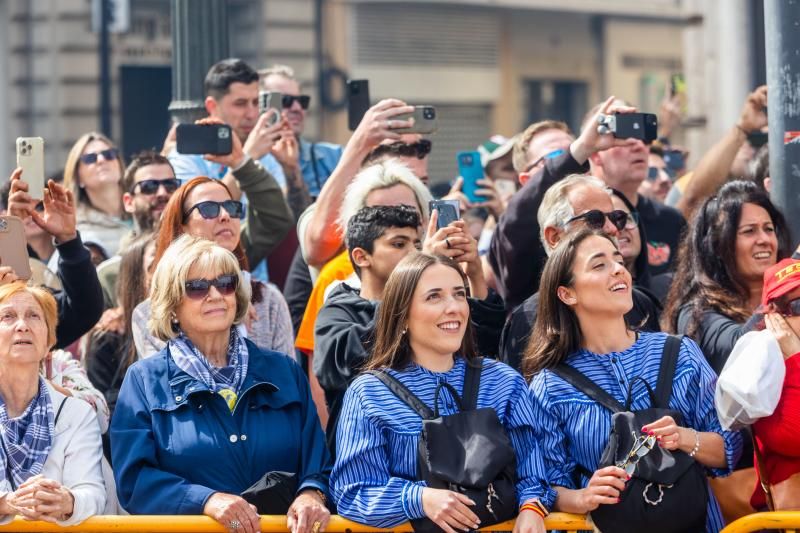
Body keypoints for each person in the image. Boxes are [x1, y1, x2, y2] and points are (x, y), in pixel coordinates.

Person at [523, 229, 742, 532]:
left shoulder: (680, 353)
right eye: (599, 265)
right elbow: (545, 484)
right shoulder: (550, 387)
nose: (618, 269)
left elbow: (729, 447)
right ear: (566, 293)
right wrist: (583, 496)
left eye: (618, 260)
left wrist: (684, 438)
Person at [111, 236, 330, 533]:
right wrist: (206, 501)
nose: (215, 294)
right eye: (197, 288)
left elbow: (317, 457)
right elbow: (134, 481)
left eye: (226, 283)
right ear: (172, 305)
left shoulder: (283, 370)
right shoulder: (143, 381)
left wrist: (311, 494)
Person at [330, 252, 551, 532]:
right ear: (402, 316)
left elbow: (535, 471)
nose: (454, 307)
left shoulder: (504, 382)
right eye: (434, 296)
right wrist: (420, 498)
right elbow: (353, 493)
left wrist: (532, 507)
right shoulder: (368, 393)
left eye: (459, 294)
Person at [314, 205, 504, 456]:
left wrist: (475, 276)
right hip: (379, 466)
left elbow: (486, 347)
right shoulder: (338, 312)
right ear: (362, 257)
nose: (413, 252)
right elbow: (342, 366)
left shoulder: (447, 307)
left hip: (462, 457)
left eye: (417, 244)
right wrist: (415, 276)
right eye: (398, 244)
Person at [489, 97, 642, 309]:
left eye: (613, 218)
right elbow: (517, 217)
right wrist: (581, 148)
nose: (572, 165)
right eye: (555, 158)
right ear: (526, 181)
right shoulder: (514, 234)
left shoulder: (639, 302)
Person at [499, 174, 661, 372]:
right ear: (555, 236)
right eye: (595, 219)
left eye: (616, 218)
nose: (612, 229)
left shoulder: (641, 304)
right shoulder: (528, 321)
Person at [131, 177, 294, 358]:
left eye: (232, 207)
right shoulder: (149, 313)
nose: (225, 215)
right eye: (208, 209)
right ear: (182, 226)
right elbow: (162, 381)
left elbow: (287, 381)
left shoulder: (269, 300)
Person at [0, 282, 106, 525]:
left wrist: (67, 501)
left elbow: (93, 493)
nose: (22, 326)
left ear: (49, 341)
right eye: (7, 316)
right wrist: (6, 503)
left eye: (33, 316)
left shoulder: (76, 413)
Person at [663, 180, 791, 373]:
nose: (764, 240)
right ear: (716, 245)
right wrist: (790, 275)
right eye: (749, 231)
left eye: (768, 229)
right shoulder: (696, 312)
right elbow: (739, 349)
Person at [5, 169, 104, 349]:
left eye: (40, 206)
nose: (22, 327)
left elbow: (82, 311)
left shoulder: (30, 299)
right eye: (8, 317)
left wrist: (69, 241)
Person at [585, 99, 686, 275]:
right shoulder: (575, 219)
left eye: (644, 137)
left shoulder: (670, 220)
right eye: (623, 136)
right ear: (594, 154)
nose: (638, 144)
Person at [167, 59, 287, 195]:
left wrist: (291, 169)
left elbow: (280, 213)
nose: (252, 114)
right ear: (212, 106)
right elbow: (203, 210)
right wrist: (246, 160)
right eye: (240, 103)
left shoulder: (265, 155)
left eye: (256, 102)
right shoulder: (186, 155)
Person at [747, 257, 800, 510]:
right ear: (774, 317)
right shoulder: (762, 366)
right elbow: (792, 437)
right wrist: (794, 359)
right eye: (798, 305)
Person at [97, 151, 179, 308]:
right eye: (149, 187)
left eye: (170, 185)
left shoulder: (200, 258)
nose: (162, 193)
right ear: (128, 202)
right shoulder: (109, 274)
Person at [260, 64, 344, 198]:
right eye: (285, 101)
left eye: (302, 101)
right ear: (260, 106)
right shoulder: (246, 162)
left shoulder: (335, 157)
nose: (297, 108)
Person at [62, 132, 130, 257]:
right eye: (90, 158)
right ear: (78, 178)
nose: (101, 160)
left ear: (120, 165)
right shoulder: (74, 231)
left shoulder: (145, 211)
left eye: (108, 154)